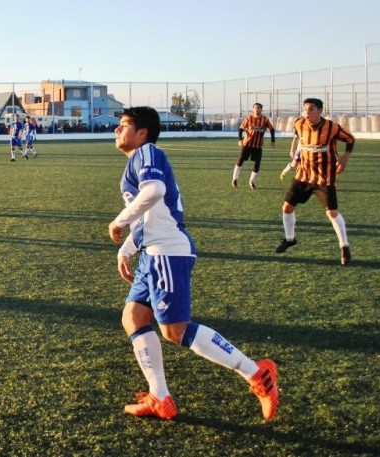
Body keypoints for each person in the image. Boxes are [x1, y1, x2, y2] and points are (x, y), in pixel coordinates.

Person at [109, 106, 279, 421]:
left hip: (167, 252)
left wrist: (119, 221)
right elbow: (150, 214)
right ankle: (159, 396)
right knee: (133, 318)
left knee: (175, 330)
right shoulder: (138, 160)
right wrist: (127, 248)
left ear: (142, 132)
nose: (117, 130)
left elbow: (155, 191)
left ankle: (257, 373)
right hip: (152, 252)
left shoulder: (146, 153)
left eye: (123, 125)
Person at [275, 98, 355, 266]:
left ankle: (344, 247)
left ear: (320, 111)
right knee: (287, 207)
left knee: (332, 212)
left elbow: (350, 139)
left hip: (324, 177)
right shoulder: (298, 123)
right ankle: (290, 239)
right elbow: (300, 140)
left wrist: (344, 159)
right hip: (303, 175)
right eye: (305, 110)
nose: (307, 113)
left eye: (311, 109)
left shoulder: (331, 128)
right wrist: (295, 156)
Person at [232, 102, 275, 189]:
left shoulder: (265, 120)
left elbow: (272, 129)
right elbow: (241, 129)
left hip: (258, 145)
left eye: (258, 108)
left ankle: (252, 181)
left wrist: (273, 141)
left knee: (257, 164)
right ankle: (235, 178)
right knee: (240, 161)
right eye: (255, 108)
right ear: (253, 109)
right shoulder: (249, 118)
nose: (257, 109)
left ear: (261, 109)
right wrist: (240, 140)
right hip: (247, 144)